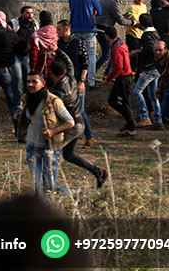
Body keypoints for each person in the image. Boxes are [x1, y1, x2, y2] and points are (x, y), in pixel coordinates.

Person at [47, 55, 107, 188]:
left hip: (72, 126)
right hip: (78, 123)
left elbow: (49, 104)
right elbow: (69, 61)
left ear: (52, 74)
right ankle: (99, 171)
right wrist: (56, 50)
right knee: (69, 155)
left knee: (54, 148)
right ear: (64, 72)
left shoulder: (60, 92)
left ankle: (52, 183)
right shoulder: (71, 77)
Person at [15, 72, 74, 195]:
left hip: (49, 148)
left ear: (43, 84)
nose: (30, 84)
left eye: (34, 82)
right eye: (28, 81)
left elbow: (70, 122)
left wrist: (53, 131)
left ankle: (70, 199)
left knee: (50, 184)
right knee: (38, 185)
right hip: (32, 146)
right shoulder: (26, 98)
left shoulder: (53, 101)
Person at [56, 19, 94, 147]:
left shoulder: (78, 43)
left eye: (59, 29)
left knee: (80, 111)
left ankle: (88, 137)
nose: (57, 32)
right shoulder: (59, 44)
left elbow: (85, 64)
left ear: (67, 29)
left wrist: (82, 81)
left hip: (77, 81)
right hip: (64, 84)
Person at [67, 0, 100, 87]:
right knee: (90, 55)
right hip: (89, 29)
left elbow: (72, 9)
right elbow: (99, 11)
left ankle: (76, 79)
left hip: (75, 28)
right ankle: (90, 81)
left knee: (76, 55)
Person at [95, 0, 133, 80]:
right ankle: (102, 74)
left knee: (108, 52)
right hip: (103, 29)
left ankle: (102, 73)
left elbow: (115, 15)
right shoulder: (114, 1)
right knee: (109, 53)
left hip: (99, 27)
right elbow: (120, 21)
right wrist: (132, 22)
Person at [131, 13, 162, 129]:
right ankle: (158, 119)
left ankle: (145, 117)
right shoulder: (155, 32)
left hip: (149, 68)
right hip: (157, 68)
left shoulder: (146, 36)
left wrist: (138, 51)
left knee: (137, 91)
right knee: (153, 95)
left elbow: (150, 48)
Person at [105, 26, 137, 137]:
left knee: (123, 103)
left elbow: (118, 67)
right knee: (113, 101)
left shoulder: (116, 49)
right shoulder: (121, 44)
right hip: (123, 77)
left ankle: (131, 126)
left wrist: (109, 78)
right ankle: (129, 121)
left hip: (123, 78)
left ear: (107, 36)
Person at [9, 6, 38, 99]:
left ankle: (27, 98)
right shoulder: (14, 23)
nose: (30, 15)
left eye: (32, 13)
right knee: (17, 77)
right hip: (15, 55)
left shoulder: (34, 24)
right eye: (28, 13)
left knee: (27, 79)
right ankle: (18, 100)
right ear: (22, 14)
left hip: (28, 56)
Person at [30, 11, 58, 75]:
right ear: (52, 21)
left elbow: (34, 52)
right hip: (57, 69)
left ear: (40, 21)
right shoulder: (57, 33)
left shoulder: (36, 35)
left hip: (41, 69)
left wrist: (32, 68)